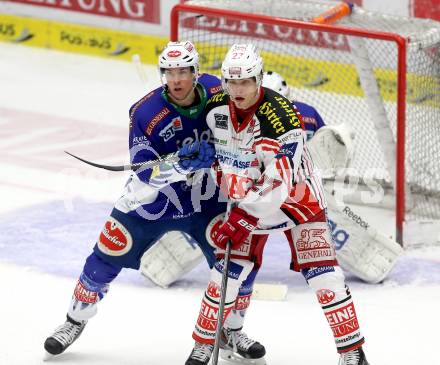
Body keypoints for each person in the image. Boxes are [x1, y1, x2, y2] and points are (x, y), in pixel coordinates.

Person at [43, 41, 264, 360]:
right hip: (152, 203)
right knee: (106, 255)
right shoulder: (144, 112)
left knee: (237, 263)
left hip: (207, 198)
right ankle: (73, 320)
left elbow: (244, 117)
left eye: (183, 72)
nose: (176, 79)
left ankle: (231, 330)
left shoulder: (218, 90)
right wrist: (181, 163)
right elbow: (144, 171)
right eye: (169, 72)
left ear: (196, 72)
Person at [184, 44, 369, 365]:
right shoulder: (215, 107)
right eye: (230, 82)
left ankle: (352, 352)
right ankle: (209, 343)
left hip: (298, 201)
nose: (237, 90)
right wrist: (198, 156)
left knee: (326, 277)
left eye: (244, 82)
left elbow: (279, 182)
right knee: (225, 274)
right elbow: (202, 144)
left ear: (258, 79)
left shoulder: (281, 116)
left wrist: (241, 218)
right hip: (246, 200)